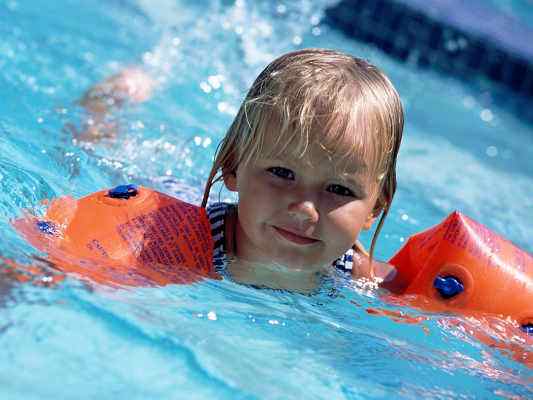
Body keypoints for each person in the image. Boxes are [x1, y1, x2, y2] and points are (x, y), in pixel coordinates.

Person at [77, 48, 404, 292]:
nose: (305, 210)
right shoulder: (183, 240)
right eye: (282, 173)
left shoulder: (356, 273)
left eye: (339, 190)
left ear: (375, 206)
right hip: (176, 195)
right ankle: (106, 104)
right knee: (95, 151)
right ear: (233, 166)